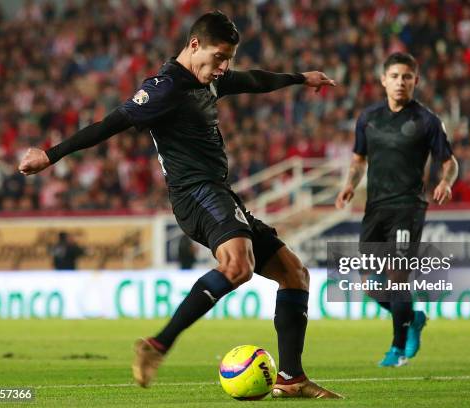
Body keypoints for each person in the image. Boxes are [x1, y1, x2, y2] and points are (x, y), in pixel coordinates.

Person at [19, 11, 340, 399]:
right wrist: (50, 156)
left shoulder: (209, 81)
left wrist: (300, 78)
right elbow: (110, 124)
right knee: (238, 267)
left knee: (294, 273)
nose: (224, 67)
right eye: (219, 57)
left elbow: (255, 79)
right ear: (193, 45)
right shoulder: (163, 88)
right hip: (196, 194)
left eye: (228, 59)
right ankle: (156, 345)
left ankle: (291, 379)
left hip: (219, 192)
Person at [335, 52, 458, 367]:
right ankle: (413, 318)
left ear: (416, 80)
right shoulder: (368, 118)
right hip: (375, 208)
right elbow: (358, 159)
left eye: (406, 76)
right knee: (370, 285)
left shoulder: (427, 121)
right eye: (394, 76)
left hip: (408, 208)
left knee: (397, 279)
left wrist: (446, 181)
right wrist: (349, 184)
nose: (400, 82)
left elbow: (450, 162)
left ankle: (397, 348)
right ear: (383, 80)